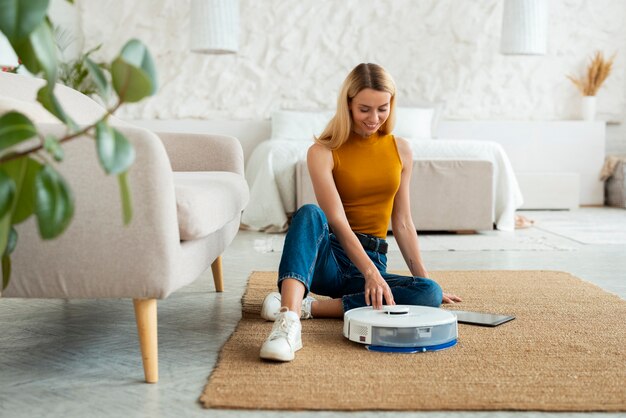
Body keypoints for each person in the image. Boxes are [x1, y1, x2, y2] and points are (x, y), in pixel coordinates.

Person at [259, 63, 462, 362]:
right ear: (348, 105)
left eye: (383, 108)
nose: (374, 118)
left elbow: (403, 222)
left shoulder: (401, 150)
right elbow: (337, 220)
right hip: (329, 258)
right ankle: (288, 321)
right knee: (309, 213)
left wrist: (423, 281)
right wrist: (370, 273)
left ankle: (307, 307)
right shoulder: (322, 151)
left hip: (373, 258)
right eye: (365, 109)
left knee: (429, 294)